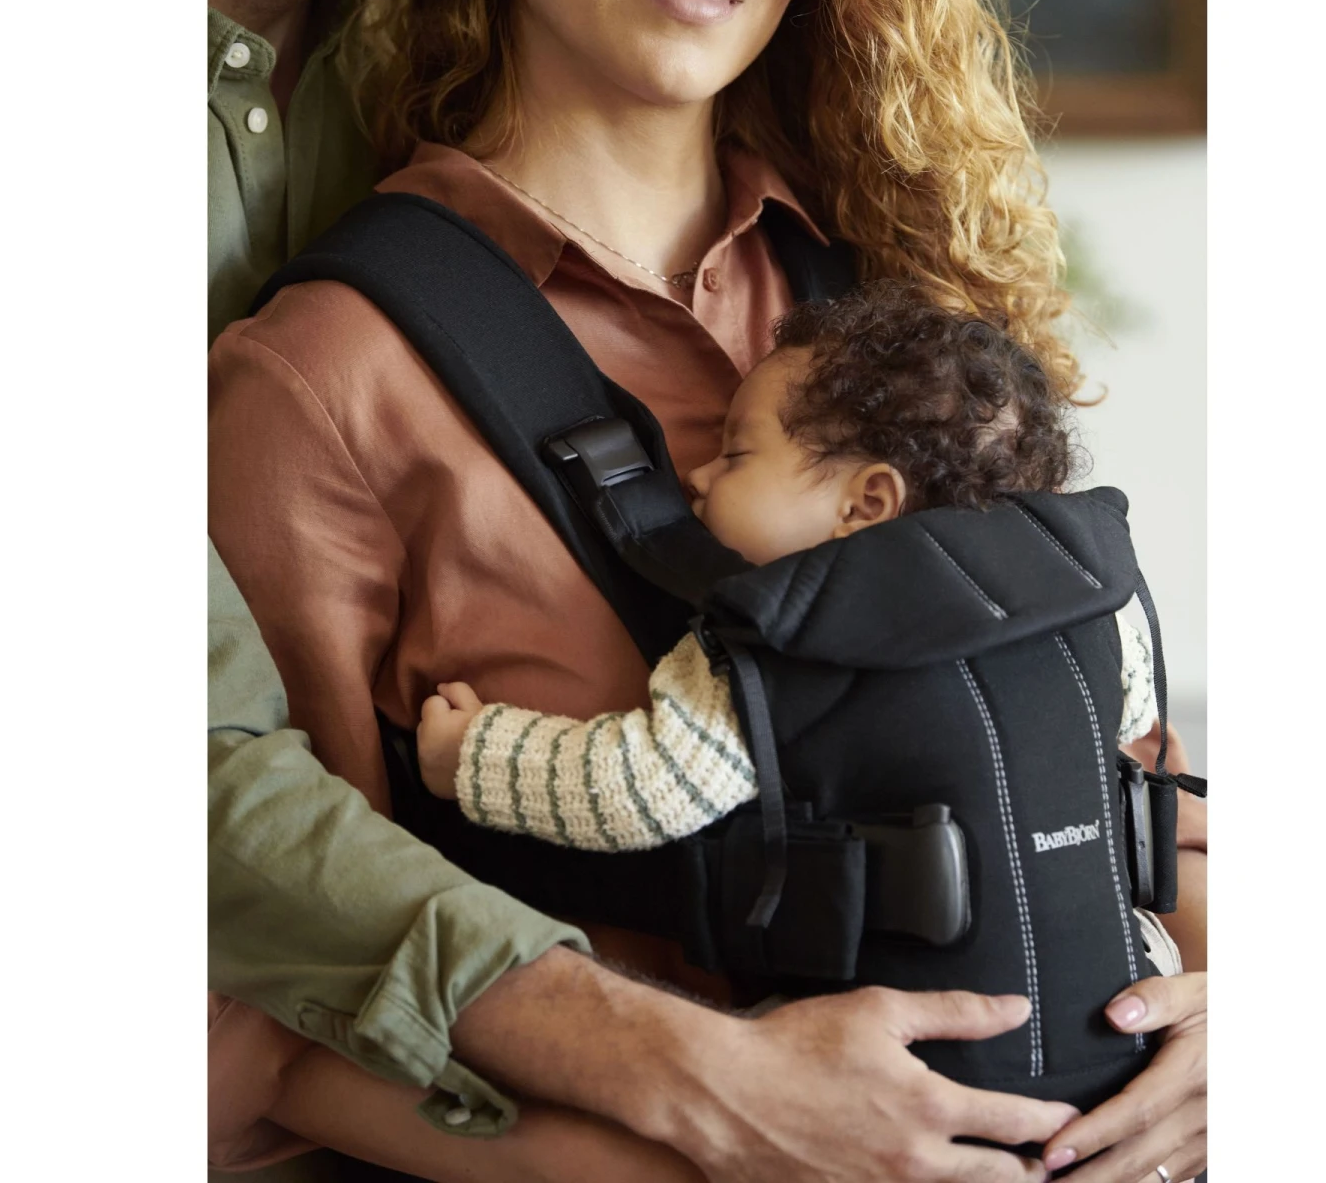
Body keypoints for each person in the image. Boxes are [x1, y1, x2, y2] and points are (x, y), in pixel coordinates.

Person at [209, 0, 1207, 1180]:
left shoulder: (899, 310)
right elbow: (258, 1005)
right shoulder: (325, 378)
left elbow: (1116, 766)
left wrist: (1226, 1013)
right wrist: (722, 1139)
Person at [414, 282, 1166, 876]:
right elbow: (1135, 719)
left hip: (907, 997)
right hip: (1111, 969)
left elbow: (641, 789)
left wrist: (472, 756)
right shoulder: (1086, 606)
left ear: (866, 504)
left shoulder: (779, 638)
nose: (697, 476)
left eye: (736, 455)